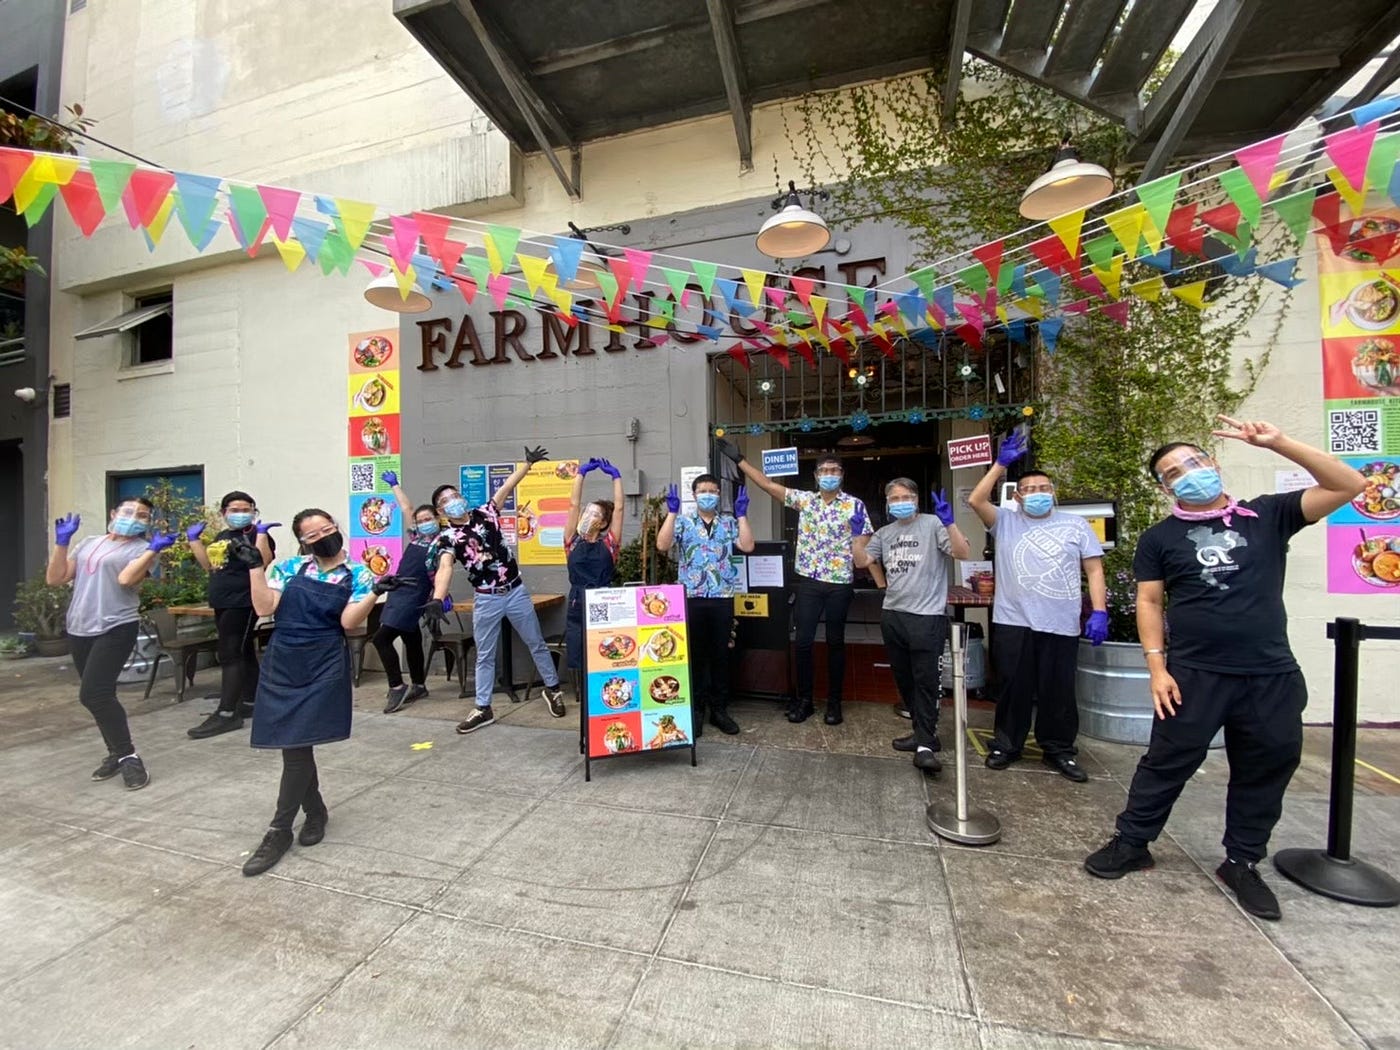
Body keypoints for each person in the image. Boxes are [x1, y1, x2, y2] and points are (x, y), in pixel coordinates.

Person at [1086, 417, 1366, 920]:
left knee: (1266, 766)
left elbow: (1350, 484)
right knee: (1167, 761)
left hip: (1270, 673)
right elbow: (1150, 602)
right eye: (1173, 472)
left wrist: (1278, 442)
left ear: (1213, 464)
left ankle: (1241, 860)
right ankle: (1132, 842)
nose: (1187, 474)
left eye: (1193, 462)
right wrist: (1157, 667)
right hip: (1194, 673)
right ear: (1165, 488)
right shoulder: (1160, 538)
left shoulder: (1268, 515)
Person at [240, 508, 392, 876]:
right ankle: (315, 810)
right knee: (294, 746)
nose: (322, 536)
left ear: (337, 529)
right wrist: (255, 568)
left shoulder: (358, 573)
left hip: (324, 661)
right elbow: (264, 608)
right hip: (284, 660)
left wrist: (373, 591)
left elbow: (347, 623)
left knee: (296, 747)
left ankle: (278, 830)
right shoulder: (289, 568)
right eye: (311, 535)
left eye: (326, 528)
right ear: (302, 542)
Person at [968, 430, 1108, 782]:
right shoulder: (1006, 521)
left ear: (1053, 493)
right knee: (1014, 687)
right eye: (1030, 490)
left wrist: (1100, 610)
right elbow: (975, 499)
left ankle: (1059, 749)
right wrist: (1000, 464)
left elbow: (1094, 568)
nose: (1038, 494)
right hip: (1014, 620)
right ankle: (1006, 744)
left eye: (1044, 489)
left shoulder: (1075, 525)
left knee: (1058, 690)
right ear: (1017, 496)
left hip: (1061, 621)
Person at [718, 438, 872, 725]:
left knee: (836, 642)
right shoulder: (806, 500)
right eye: (824, 470)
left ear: (842, 475)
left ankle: (834, 704)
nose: (829, 475)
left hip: (840, 583)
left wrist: (856, 534)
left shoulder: (855, 506)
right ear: (815, 476)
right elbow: (767, 485)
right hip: (809, 582)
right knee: (802, 642)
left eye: (835, 470)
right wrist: (740, 460)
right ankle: (805, 701)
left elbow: (863, 556)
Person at [426, 445, 566, 734]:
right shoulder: (447, 538)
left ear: (462, 498)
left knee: (535, 642)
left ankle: (553, 689)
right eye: (445, 500)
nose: (453, 500)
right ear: (441, 511)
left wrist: (527, 464)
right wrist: (438, 598)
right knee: (486, 654)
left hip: (515, 591)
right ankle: (483, 707)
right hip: (486, 599)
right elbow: (446, 568)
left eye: (454, 495)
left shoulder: (485, 513)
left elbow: (508, 486)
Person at [47, 498, 174, 790]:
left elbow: (125, 579)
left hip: (116, 626)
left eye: (142, 516)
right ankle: (115, 752)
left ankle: (128, 756)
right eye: (128, 512)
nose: (134, 518)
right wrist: (62, 543)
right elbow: (56, 578)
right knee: (101, 696)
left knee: (94, 694)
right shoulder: (90, 543)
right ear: (113, 514)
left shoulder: (141, 549)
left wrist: (152, 549)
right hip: (79, 627)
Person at [854, 480, 970, 774]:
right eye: (895, 498)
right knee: (905, 680)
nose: (901, 501)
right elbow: (862, 561)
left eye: (906, 496)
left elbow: (962, 552)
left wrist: (951, 523)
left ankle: (926, 747)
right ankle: (923, 734)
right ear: (888, 503)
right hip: (893, 614)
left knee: (926, 681)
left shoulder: (932, 524)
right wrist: (857, 537)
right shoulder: (885, 533)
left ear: (917, 499)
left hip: (927, 615)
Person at [655, 473, 755, 736]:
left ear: (719, 495)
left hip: (722, 597)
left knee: (721, 654)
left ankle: (719, 710)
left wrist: (742, 515)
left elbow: (747, 545)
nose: (708, 494)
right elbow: (662, 544)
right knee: (696, 655)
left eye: (713, 490)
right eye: (703, 490)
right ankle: (697, 709)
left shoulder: (729, 523)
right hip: (692, 598)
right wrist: (671, 513)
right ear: (695, 494)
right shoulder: (684, 523)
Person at [185, 491, 278, 738]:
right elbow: (210, 566)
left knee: (230, 654)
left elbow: (263, 560)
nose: (240, 514)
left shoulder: (257, 534)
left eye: (246, 509)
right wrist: (194, 541)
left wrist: (261, 534)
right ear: (224, 513)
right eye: (235, 510)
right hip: (222, 600)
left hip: (244, 601)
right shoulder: (223, 536)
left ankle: (226, 713)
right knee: (243, 652)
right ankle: (250, 701)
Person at [563, 457, 625, 699]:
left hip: (604, 599)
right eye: (588, 512)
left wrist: (616, 477)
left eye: (596, 514)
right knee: (578, 649)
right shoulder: (571, 541)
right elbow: (572, 505)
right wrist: (581, 474)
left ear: (604, 523)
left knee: (607, 649)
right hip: (578, 600)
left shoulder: (610, 544)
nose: (589, 516)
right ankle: (582, 694)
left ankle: (607, 693)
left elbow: (619, 508)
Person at [375, 469, 436, 714]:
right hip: (397, 589)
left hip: (414, 593)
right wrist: (395, 485)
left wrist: (440, 595)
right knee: (411, 638)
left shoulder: (442, 541)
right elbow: (406, 508)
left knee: (381, 638)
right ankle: (419, 684)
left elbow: (442, 570)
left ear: (437, 518)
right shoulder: (415, 537)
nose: (423, 523)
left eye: (427, 518)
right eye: (420, 520)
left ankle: (397, 686)